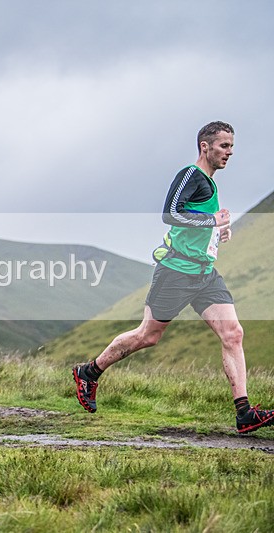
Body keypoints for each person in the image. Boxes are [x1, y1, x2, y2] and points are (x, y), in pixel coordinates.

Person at [72, 121, 274, 434]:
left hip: (204, 275)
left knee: (233, 333)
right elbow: (170, 213)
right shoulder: (190, 175)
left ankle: (244, 413)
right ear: (205, 146)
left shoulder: (210, 181)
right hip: (176, 272)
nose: (229, 152)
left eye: (232, 147)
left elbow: (193, 225)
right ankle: (89, 372)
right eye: (223, 146)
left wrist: (218, 232)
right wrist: (211, 219)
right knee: (147, 336)